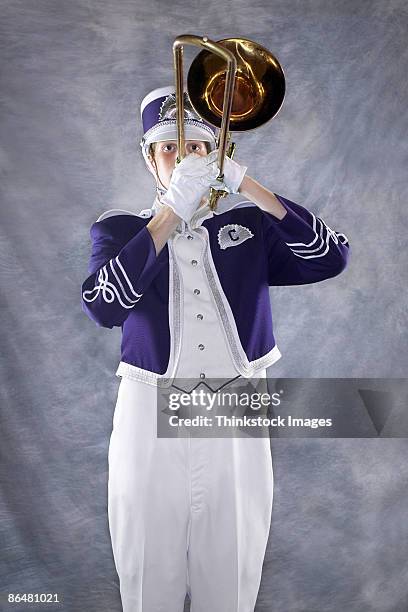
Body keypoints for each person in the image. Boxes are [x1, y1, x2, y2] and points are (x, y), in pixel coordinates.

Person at [81, 85, 350, 612]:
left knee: (231, 573)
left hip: (237, 406)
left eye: (199, 148)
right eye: (169, 148)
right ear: (149, 160)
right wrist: (170, 212)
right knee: (145, 570)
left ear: (217, 153)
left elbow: (330, 257)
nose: (186, 158)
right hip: (148, 405)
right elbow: (104, 306)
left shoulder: (250, 224)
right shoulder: (119, 228)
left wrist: (247, 183)